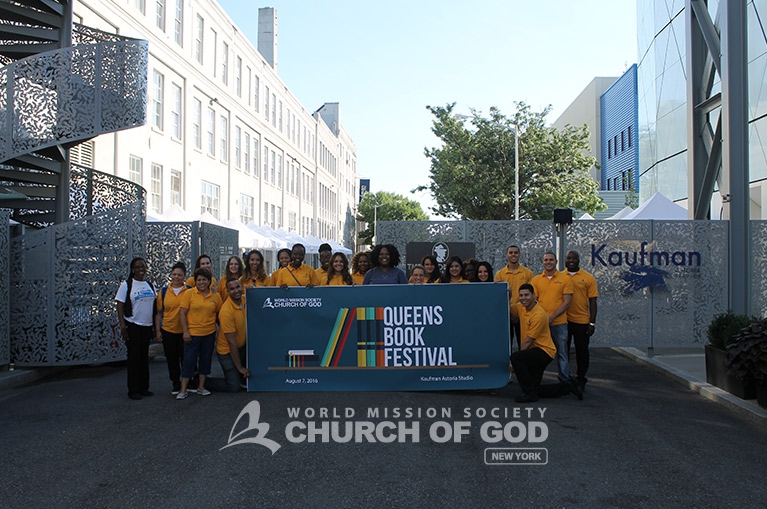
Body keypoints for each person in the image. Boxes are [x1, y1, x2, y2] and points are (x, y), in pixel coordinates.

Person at [510, 284, 582, 402]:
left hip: (544, 352)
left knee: (516, 357)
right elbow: (506, 308)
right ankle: (567, 387)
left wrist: (514, 364)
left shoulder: (539, 314)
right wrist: (507, 294)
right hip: (535, 351)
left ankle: (529, 394)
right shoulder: (520, 307)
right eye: (521, 295)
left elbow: (528, 341)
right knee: (536, 388)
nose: (523, 298)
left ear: (534, 296)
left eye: (527, 295)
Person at [177, 267, 222, 399]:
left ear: (209, 281)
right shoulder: (189, 294)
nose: (202, 282)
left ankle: (201, 387)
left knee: (205, 360)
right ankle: (183, 390)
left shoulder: (216, 296)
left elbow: (219, 314)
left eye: (204, 280)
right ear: (195, 281)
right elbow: (182, 313)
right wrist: (185, 331)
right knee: (189, 361)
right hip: (192, 333)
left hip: (209, 333)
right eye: (199, 280)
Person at [115, 257, 156, 400]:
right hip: (133, 325)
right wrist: (122, 325)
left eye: (143, 266)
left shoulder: (149, 285)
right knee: (134, 359)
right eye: (137, 267)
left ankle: (144, 387)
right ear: (132, 269)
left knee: (144, 358)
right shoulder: (126, 285)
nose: (141, 269)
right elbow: (120, 306)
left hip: (146, 326)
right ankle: (133, 390)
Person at [531, 251, 573, 383]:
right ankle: (536, 380)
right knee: (538, 354)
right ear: (543, 262)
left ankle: (564, 380)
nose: (548, 262)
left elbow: (566, 302)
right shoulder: (536, 280)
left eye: (551, 260)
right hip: (541, 324)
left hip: (559, 323)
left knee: (562, 353)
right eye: (546, 260)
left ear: (556, 262)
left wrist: (552, 317)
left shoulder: (565, 279)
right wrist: (543, 319)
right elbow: (534, 302)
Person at [205, 278, 250, 392]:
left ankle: (239, 374)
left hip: (242, 347)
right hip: (227, 351)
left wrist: (253, 289)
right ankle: (203, 381)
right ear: (228, 292)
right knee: (233, 387)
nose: (236, 291)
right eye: (232, 289)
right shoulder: (226, 311)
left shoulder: (246, 300)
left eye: (238, 287)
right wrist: (239, 368)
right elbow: (231, 342)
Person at [564, 250, 599, 393]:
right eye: (568, 258)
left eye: (574, 258)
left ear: (579, 260)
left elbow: (593, 302)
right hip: (564, 321)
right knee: (563, 351)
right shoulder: (560, 276)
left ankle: (581, 377)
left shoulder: (588, 278)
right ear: (565, 261)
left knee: (582, 351)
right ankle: (565, 377)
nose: (571, 260)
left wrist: (592, 323)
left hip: (582, 320)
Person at [154, 261, 190, 395]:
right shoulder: (163, 292)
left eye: (179, 275)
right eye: (174, 274)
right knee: (172, 359)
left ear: (184, 276)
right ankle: (175, 383)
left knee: (186, 358)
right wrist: (158, 331)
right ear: (171, 275)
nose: (176, 277)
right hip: (168, 330)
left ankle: (187, 381)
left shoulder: (190, 290)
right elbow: (159, 313)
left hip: (184, 331)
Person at [494, 245, 534, 350]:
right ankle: (508, 364)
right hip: (505, 314)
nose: (513, 255)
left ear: (519, 255)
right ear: (507, 255)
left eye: (516, 252)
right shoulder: (500, 274)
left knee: (524, 342)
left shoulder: (527, 273)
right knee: (506, 342)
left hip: (523, 313)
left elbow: (531, 295)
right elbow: (497, 296)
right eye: (511, 252)